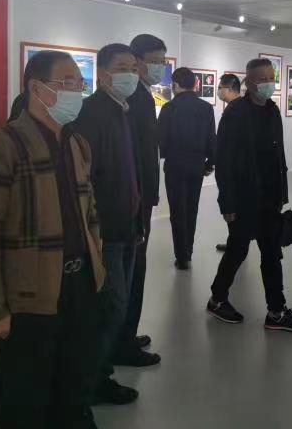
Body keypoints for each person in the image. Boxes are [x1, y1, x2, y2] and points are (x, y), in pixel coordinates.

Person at [0, 50, 105, 429]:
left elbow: (90, 212)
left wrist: (97, 261)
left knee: (74, 390)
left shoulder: (77, 144)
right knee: (25, 402)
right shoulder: (1, 145)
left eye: (80, 84)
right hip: (30, 297)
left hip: (79, 288)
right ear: (36, 88)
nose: (76, 91)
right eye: (68, 83)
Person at [207, 58, 292, 333]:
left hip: (269, 197)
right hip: (244, 198)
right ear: (249, 82)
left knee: (272, 253)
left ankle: (276, 311)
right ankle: (217, 299)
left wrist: (281, 193)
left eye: (271, 77)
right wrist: (227, 202)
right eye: (262, 79)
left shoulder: (272, 110)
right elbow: (224, 161)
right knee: (237, 250)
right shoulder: (235, 113)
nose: (268, 83)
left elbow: (277, 154)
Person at [74, 43, 148, 407]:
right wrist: (94, 232)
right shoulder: (92, 114)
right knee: (109, 309)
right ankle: (89, 384)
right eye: (122, 68)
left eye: (134, 68)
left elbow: (130, 171)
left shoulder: (122, 110)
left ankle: (98, 374)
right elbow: (86, 179)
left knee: (116, 307)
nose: (131, 74)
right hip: (105, 230)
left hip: (126, 225)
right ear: (102, 75)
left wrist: (138, 220)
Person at [120, 34, 166, 365]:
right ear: (137, 61)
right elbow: (134, 153)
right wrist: (141, 195)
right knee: (133, 269)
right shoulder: (135, 98)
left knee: (136, 267)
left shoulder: (142, 95)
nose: (160, 67)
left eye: (163, 61)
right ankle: (122, 342)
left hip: (141, 196)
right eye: (155, 61)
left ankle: (126, 333)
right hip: (134, 198)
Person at [157, 67, 216, 269]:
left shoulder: (169, 108)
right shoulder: (206, 108)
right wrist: (209, 164)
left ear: (175, 84)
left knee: (177, 212)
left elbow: (161, 141)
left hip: (174, 166)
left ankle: (181, 256)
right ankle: (188, 251)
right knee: (192, 209)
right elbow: (211, 139)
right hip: (196, 166)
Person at [214, 73, 242, 253]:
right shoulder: (236, 108)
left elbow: (227, 146)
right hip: (232, 170)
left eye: (220, 88)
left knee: (233, 210)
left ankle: (236, 245)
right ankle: (235, 242)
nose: (218, 91)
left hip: (232, 171)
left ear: (230, 89)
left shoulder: (234, 111)